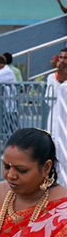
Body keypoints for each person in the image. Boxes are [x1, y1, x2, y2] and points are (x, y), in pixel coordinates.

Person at [45, 47, 67, 186]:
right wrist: (60, 80)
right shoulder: (52, 77)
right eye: (61, 57)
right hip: (55, 121)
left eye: (66, 58)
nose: (63, 61)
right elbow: (49, 100)